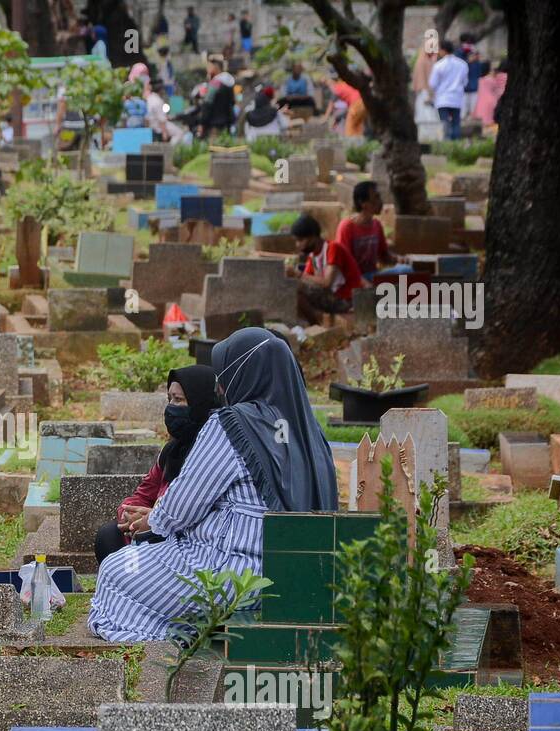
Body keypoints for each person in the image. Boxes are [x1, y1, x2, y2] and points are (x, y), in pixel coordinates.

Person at [88, 328, 337, 643]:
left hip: (232, 574)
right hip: (293, 577)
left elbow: (182, 505)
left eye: (225, 375)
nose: (220, 386)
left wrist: (153, 519)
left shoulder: (231, 424)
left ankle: (181, 635)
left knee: (115, 568)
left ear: (241, 375)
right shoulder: (309, 431)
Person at [94, 365, 219, 563]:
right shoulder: (171, 451)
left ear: (199, 402)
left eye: (178, 400)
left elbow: (197, 512)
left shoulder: (213, 452)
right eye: (169, 399)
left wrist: (155, 518)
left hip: (188, 539)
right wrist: (130, 515)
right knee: (108, 536)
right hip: (150, 529)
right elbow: (142, 495)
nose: (170, 407)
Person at [287, 213, 362, 322]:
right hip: (332, 297)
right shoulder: (313, 256)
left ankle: (315, 324)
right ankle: (313, 324)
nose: (297, 245)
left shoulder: (333, 248)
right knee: (293, 288)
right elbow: (308, 280)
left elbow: (327, 283)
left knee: (297, 289)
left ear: (313, 236)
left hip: (346, 300)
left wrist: (298, 274)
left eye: (300, 240)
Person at [336, 180, 409, 282]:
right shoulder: (347, 227)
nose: (380, 202)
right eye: (376, 197)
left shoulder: (376, 225)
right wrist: (362, 282)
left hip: (373, 276)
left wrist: (398, 259)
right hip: (353, 279)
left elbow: (384, 256)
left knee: (406, 270)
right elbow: (343, 263)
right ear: (363, 203)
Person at [428, 39, 469, 141]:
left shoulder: (439, 65)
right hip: (457, 98)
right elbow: (465, 82)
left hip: (443, 98)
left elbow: (432, 83)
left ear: (443, 50)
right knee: (456, 123)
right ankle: (456, 144)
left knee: (444, 123)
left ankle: (447, 143)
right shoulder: (463, 64)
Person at [198, 57, 236, 138]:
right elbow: (232, 102)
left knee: (215, 148)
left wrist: (202, 123)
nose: (207, 69)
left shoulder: (214, 84)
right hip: (227, 123)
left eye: (209, 67)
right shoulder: (229, 82)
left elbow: (207, 104)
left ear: (215, 67)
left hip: (214, 124)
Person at [473, 59, 506, 129]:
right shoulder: (492, 79)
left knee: (483, 122)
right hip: (492, 100)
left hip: (480, 102)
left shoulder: (480, 80)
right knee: (491, 121)